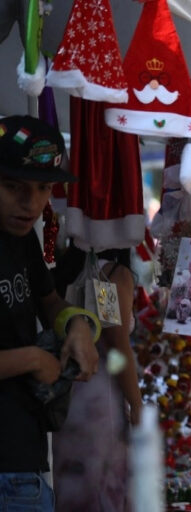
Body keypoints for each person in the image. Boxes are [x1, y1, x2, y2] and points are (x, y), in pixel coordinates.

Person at [0, 115, 100, 511]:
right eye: (13, 187)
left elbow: (50, 301)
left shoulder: (20, 240)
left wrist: (76, 324)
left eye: (43, 188)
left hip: (24, 453)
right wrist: (32, 360)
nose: (32, 204)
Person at [52, 247, 142, 511]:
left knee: (71, 479)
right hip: (99, 396)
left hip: (67, 388)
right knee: (99, 482)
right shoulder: (111, 275)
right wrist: (135, 401)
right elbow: (116, 343)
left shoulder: (66, 266)